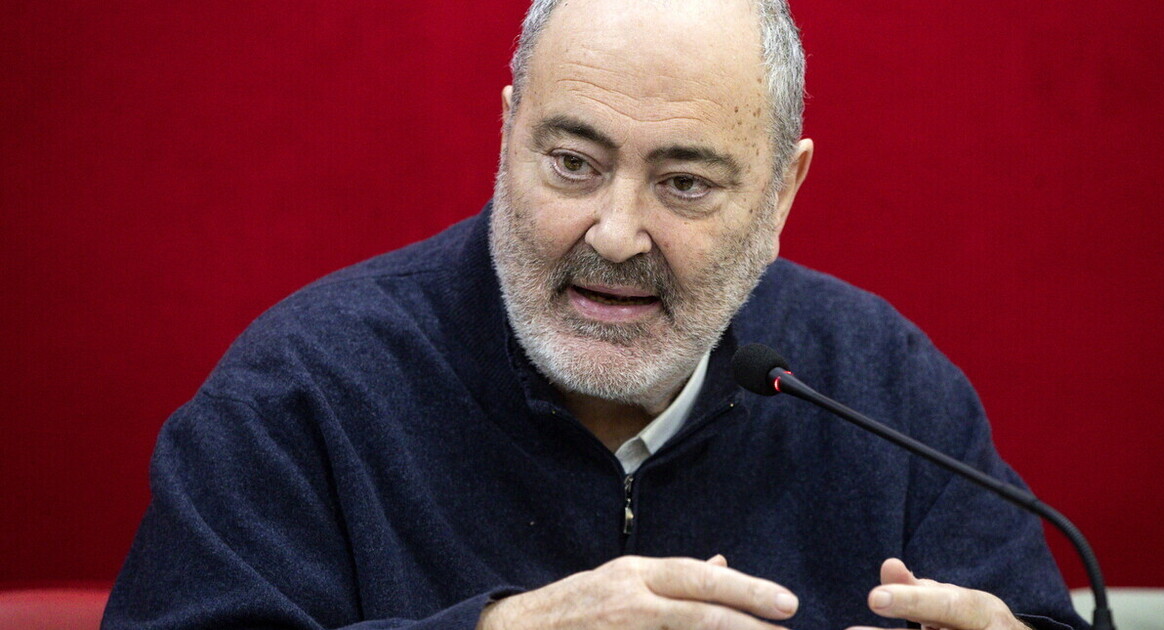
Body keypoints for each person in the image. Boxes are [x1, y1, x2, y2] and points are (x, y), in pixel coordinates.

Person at [103, 1, 1088, 629]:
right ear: (507, 135)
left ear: (782, 194)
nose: (615, 236)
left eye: (685, 182)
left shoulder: (888, 388)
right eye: (573, 164)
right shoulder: (300, 393)